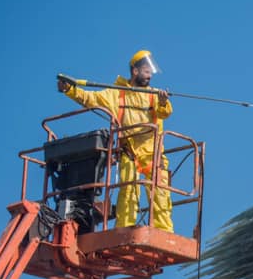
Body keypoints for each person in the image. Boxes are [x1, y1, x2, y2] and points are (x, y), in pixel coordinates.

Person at [57, 50, 174, 232]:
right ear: (135, 71)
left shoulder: (154, 95)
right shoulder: (117, 94)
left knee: (160, 192)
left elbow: (164, 113)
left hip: (153, 152)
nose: (150, 76)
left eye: (151, 72)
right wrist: (70, 89)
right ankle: (124, 230)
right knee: (128, 190)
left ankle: (164, 231)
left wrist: (163, 102)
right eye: (146, 71)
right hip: (130, 151)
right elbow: (90, 98)